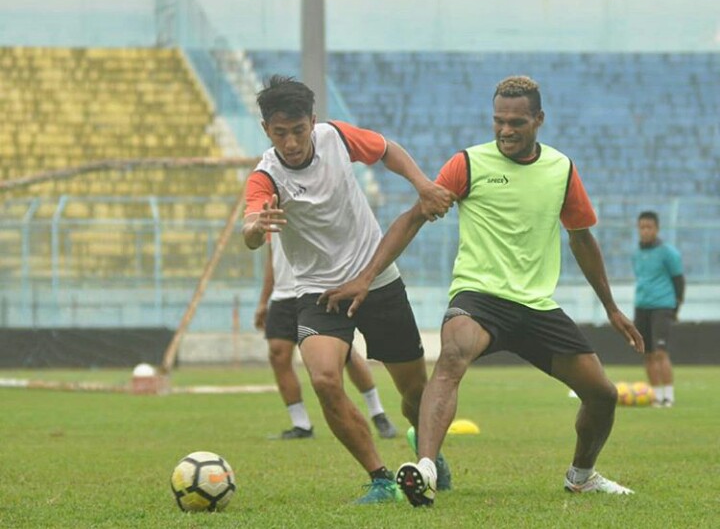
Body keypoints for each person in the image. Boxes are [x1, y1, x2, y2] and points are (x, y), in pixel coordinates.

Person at [320, 76, 645, 506]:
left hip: (535, 305)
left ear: (539, 120)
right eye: (498, 121)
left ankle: (581, 476)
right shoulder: (467, 164)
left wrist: (611, 308)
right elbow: (413, 218)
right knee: (452, 356)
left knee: (602, 395)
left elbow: (582, 239)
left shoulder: (561, 170)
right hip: (478, 297)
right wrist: (366, 276)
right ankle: (427, 469)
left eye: (516, 122)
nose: (505, 130)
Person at [242, 75, 455, 504]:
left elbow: (388, 150)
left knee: (414, 393)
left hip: (377, 280)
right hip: (320, 293)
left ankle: (430, 453)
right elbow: (250, 226)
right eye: (280, 133)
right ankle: (380, 478)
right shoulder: (265, 176)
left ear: (312, 122)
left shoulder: (336, 136)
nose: (291, 142)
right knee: (323, 378)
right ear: (266, 130)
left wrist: (423, 184)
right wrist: (255, 227)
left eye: (298, 130)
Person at [254, 233, 398, 439]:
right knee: (278, 354)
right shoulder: (268, 207)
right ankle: (301, 425)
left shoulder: (315, 202)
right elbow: (272, 256)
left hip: (316, 289)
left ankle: (378, 413)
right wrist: (263, 301)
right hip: (283, 295)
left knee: (346, 355)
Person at [632, 211, 684, 408]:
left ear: (657, 229)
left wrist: (676, 306)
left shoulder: (668, 253)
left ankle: (668, 395)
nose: (645, 231)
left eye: (649, 227)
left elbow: (678, 280)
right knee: (647, 353)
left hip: (662, 305)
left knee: (661, 352)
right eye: (642, 227)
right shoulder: (636, 253)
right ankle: (656, 396)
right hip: (642, 306)